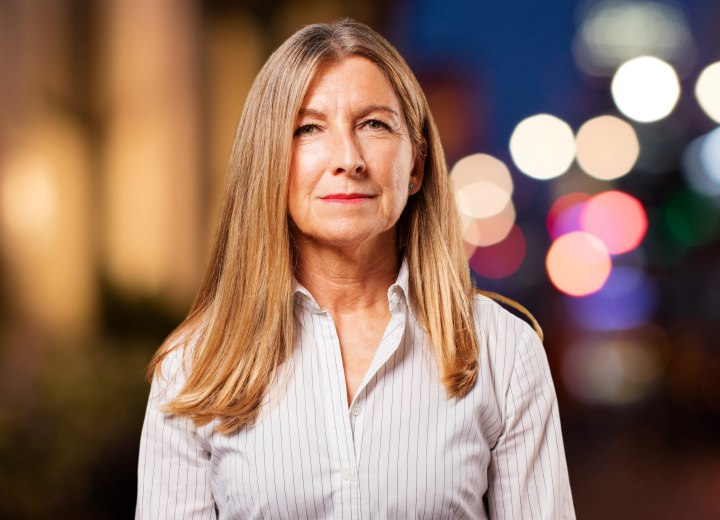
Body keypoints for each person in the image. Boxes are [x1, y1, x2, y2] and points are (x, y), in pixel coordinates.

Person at [136, 18, 575, 519]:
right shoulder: (193, 368)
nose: (348, 158)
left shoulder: (505, 353)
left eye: (373, 124)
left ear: (416, 166)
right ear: (269, 162)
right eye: (308, 128)